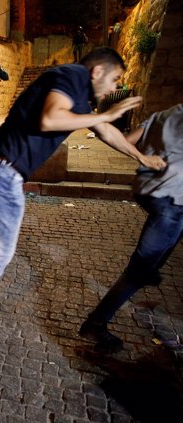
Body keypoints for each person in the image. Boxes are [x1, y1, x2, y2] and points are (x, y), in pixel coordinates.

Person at [0, 47, 167, 347]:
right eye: (116, 79)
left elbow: (105, 131)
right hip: (3, 169)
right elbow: (51, 119)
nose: (116, 87)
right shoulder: (71, 75)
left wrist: (141, 158)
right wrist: (105, 114)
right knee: (1, 249)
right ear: (97, 72)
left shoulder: (78, 94)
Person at [79, 103, 183, 353]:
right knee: (138, 271)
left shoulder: (165, 113)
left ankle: (150, 269)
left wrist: (146, 157)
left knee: (155, 259)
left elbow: (127, 140)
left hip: (151, 193)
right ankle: (96, 323)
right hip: (172, 200)